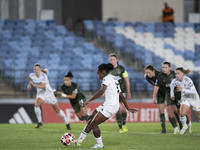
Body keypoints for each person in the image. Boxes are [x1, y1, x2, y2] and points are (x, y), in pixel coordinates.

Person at [75, 63, 138, 149]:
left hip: (110, 106)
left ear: (103, 72)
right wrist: (128, 108)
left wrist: (89, 101)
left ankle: (99, 144)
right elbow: (121, 95)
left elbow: (101, 91)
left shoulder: (107, 78)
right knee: (90, 120)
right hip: (109, 105)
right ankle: (79, 141)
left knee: (94, 124)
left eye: (99, 73)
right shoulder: (114, 78)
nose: (98, 76)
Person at [27, 63, 71, 130]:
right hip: (41, 94)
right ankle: (40, 121)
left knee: (57, 110)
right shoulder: (32, 75)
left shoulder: (43, 75)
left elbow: (43, 86)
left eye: (38, 69)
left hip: (49, 94)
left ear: (40, 70)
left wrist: (34, 85)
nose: (36, 70)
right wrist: (29, 85)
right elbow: (30, 78)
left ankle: (67, 123)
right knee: (36, 105)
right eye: (35, 69)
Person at [153, 62, 185, 134]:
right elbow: (156, 87)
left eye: (166, 67)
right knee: (169, 113)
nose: (164, 69)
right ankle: (175, 128)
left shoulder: (175, 74)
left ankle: (183, 125)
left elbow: (183, 81)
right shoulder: (160, 76)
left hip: (177, 94)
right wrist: (154, 97)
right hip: (169, 94)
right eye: (163, 67)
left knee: (179, 112)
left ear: (170, 68)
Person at [170, 67, 198, 135]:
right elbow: (171, 86)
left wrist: (183, 89)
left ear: (182, 74)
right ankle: (185, 126)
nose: (176, 75)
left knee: (199, 116)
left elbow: (193, 91)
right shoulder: (175, 81)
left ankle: (189, 124)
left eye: (178, 73)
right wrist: (172, 95)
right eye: (176, 73)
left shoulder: (188, 80)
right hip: (185, 98)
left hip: (194, 98)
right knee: (182, 114)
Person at [109, 53, 131, 133]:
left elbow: (127, 80)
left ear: (117, 60)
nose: (112, 61)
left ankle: (124, 125)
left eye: (113, 59)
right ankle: (120, 127)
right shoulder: (108, 70)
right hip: (113, 92)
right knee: (117, 110)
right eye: (111, 60)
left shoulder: (122, 69)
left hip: (122, 91)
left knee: (123, 108)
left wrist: (128, 92)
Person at [144, 65, 167, 133]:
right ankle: (163, 129)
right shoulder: (146, 77)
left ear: (153, 71)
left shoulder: (160, 74)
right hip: (159, 93)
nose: (148, 74)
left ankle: (183, 125)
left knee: (174, 110)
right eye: (146, 73)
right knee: (161, 111)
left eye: (149, 72)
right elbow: (153, 84)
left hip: (167, 92)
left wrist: (153, 97)